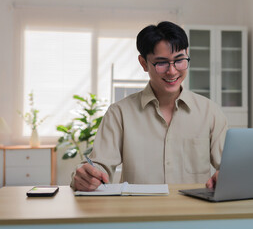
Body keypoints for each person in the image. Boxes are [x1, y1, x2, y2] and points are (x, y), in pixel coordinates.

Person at [71, 21, 227, 191]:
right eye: (162, 63)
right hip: (138, 214)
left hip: (195, 214)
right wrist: (87, 177)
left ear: (187, 55)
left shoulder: (209, 112)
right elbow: (99, 166)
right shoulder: (120, 113)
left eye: (179, 60)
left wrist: (227, 175)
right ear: (144, 63)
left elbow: (229, 167)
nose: (172, 71)